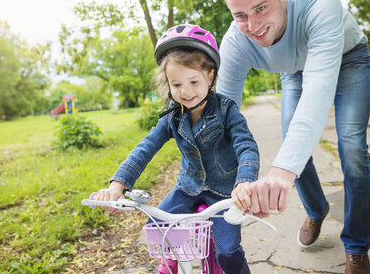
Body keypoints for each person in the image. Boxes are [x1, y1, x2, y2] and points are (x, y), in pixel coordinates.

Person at [216, 0, 370, 274]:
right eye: (241, 15)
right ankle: (317, 209)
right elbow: (221, 117)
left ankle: (356, 246)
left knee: (352, 149)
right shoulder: (235, 41)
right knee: (293, 141)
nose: (253, 25)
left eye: (261, 8)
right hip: (294, 71)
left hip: (347, 59)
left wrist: (281, 172)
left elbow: (318, 91)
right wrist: (224, 179)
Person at [94, 24, 259, 274]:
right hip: (188, 188)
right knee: (158, 230)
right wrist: (117, 185)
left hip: (225, 191)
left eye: (194, 81)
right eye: (176, 84)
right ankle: (169, 264)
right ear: (168, 84)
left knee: (228, 251)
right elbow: (145, 148)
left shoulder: (226, 109)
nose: (186, 91)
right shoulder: (172, 117)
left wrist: (244, 182)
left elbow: (246, 146)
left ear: (210, 77)